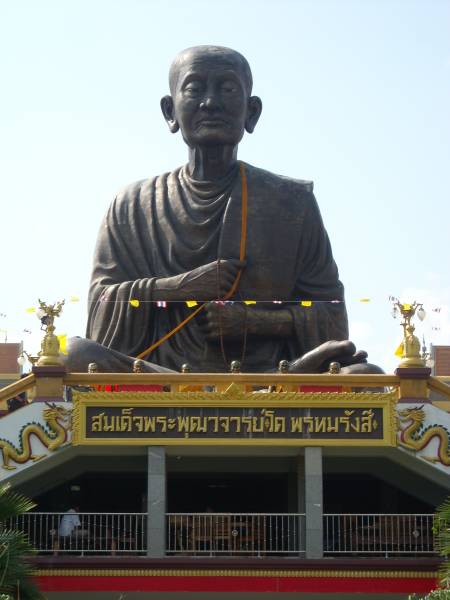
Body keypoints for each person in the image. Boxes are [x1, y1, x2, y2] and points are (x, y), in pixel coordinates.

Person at [68, 45, 380, 375]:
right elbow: (103, 307)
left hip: (271, 381)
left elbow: (331, 317)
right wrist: (179, 288)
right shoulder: (131, 204)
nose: (211, 102)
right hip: (159, 380)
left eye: (228, 89)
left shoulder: (291, 202)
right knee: (72, 353)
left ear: (251, 112)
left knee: (363, 375)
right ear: (169, 111)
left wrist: (255, 321)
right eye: (194, 89)